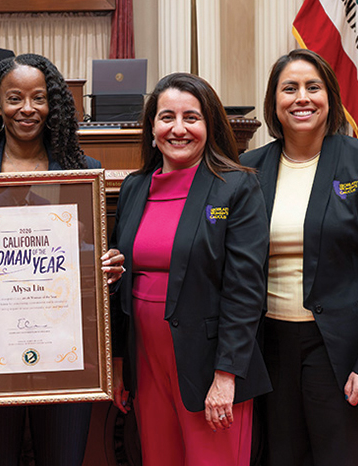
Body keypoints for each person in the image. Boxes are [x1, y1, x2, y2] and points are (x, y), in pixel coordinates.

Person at [0, 53, 125, 465]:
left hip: (68, 353)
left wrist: (107, 267)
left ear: (52, 104)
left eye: (39, 98)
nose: (27, 109)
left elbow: (91, 262)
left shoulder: (83, 173)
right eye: (14, 98)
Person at [240, 49, 358, 466]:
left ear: (330, 98)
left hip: (346, 351)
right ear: (274, 102)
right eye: (290, 88)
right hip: (272, 351)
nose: (302, 98)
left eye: (312, 87)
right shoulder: (249, 168)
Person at [110, 72, 271, 466]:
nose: (178, 129)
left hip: (210, 365)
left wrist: (226, 375)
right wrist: (118, 366)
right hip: (146, 363)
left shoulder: (236, 187)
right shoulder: (134, 187)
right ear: (151, 128)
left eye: (191, 118)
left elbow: (245, 289)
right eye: (167, 117)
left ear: (209, 125)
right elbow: (119, 280)